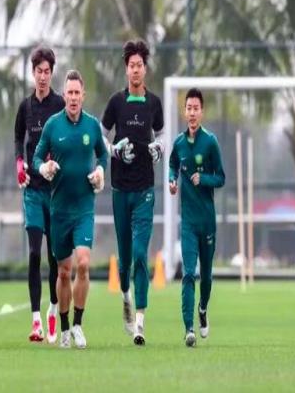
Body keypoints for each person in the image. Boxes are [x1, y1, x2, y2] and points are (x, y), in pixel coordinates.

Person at [33, 70, 107, 349]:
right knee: (64, 272)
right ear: (64, 96)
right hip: (59, 210)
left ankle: (77, 324)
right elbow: (37, 156)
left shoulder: (92, 126)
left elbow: (103, 155)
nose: (73, 98)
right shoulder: (52, 126)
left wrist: (100, 172)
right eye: (70, 93)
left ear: (83, 96)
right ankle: (63, 328)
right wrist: (44, 167)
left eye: (78, 93)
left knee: (84, 264)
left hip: (84, 208)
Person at [100, 39, 164, 346]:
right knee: (124, 258)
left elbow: (162, 134)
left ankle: (140, 322)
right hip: (119, 189)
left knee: (140, 254)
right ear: (126, 70)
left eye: (139, 65)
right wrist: (113, 150)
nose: (135, 70)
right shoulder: (116, 102)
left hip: (145, 189)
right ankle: (125, 294)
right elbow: (101, 135)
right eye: (131, 66)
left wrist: (159, 148)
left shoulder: (154, 103)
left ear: (145, 69)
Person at [14, 47, 64, 343]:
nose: (43, 77)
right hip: (33, 191)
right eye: (38, 72)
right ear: (32, 73)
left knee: (54, 256)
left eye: (47, 72)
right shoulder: (25, 107)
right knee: (34, 254)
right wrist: (19, 162)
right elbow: (18, 138)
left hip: (55, 192)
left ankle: (53, 309)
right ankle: (35, 321)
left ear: (51, 73)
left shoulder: (60, 104)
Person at [169, 88, 225, 347]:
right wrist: (172, 180)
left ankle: (203, 308)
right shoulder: (179, 144)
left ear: (202, 112)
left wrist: (204, 179)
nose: (192, 113)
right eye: (188, 108)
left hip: (207, 221)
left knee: (207, 276)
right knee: (188, 273)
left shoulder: (210, 142)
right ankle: (189, 328)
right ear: (185, 112)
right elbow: (172, 165)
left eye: (196, 108)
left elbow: (221, 178)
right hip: (188, 223)